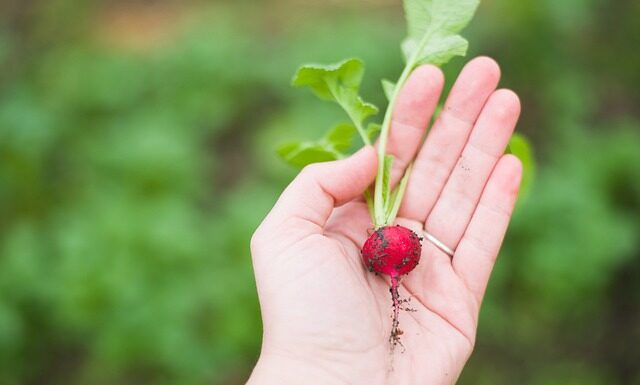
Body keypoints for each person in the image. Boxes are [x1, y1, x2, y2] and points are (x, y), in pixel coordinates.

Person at [247, 57, 522, 385]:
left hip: (390, 245)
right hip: (388, 244)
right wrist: (316, 363)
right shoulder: (389, 245)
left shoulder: (391, 246)